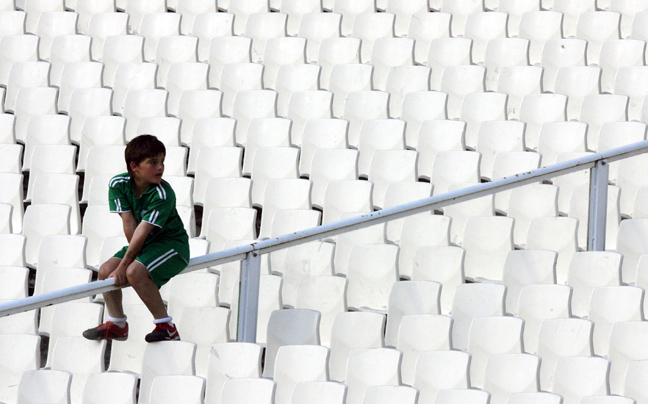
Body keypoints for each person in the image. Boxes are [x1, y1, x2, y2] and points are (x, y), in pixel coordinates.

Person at [83, 134, 190, 342]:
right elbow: (129, 224)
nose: (160, 167)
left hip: (172, 246)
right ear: (134, 166)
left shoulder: (162, 193)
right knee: (105, 271)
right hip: (147, 245)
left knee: (133, 271)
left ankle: (166, 326)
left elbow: (142, 231)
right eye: (152, 162)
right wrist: (123, 264)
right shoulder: (118, 184)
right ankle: (117, 324)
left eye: (162, 161)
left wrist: (125, 265)